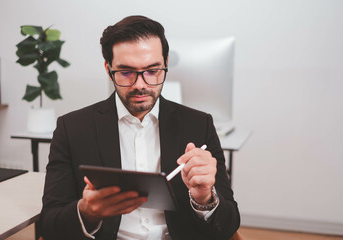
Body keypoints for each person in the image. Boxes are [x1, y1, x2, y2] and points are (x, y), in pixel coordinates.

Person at [40, 15, 240, 240]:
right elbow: (48, 224)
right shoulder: (72, 128)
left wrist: (205, 199)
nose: (140, 85)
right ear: (108, 69)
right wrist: (87, 212)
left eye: (152, 71)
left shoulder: (199, 125)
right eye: (126, 72)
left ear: (166, 65)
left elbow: (229, 224)